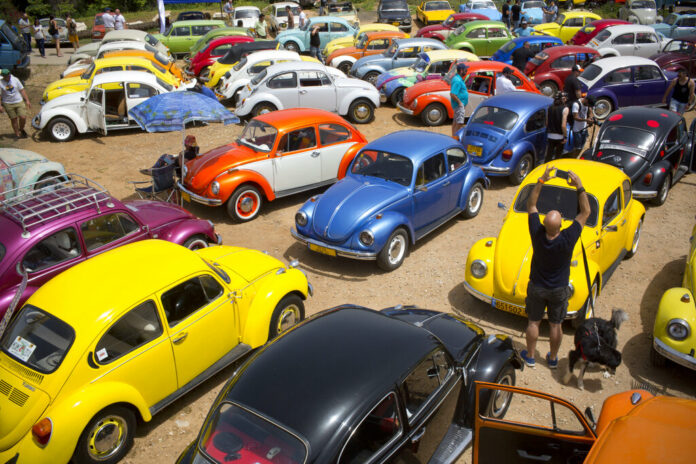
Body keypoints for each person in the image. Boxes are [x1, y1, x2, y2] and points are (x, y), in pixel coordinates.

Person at [520, 165, 590, 369]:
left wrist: (542, 180)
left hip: (537, 286)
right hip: (559, 289)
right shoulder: (569, 237)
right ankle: (552, 358)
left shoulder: (537, 233)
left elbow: (531, 204)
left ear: (544, 224)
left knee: (533, 322)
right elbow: (586, 211)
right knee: (555, 324)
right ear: (561, 226)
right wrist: (579, 186)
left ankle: (531, 356)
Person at [0, 69, 32, 139]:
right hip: (8, 103)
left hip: (18, 101)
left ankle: (21, 129)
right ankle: (17, 134)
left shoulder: (15, 79)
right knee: (13, 119)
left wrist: (27, 100)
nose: (8, 77)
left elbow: (22, 90)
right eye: (6, 76)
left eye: (9, 76)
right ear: (3, 76)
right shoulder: (1, 83)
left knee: (23, 117)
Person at [546, 92, 569, 162]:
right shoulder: (565, 108)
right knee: (557, 157)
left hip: (550, 135)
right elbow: (563, 125)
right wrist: (565, 136)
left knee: (548, 155)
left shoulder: (549, 107)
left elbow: (546, 123)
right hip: (559, 136)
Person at [450, 63, 469, 138]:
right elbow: (452, 94)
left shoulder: (458, 79)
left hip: (458, 106)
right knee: (459, 123)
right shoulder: (457, 80)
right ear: (461, 70)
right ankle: (455, 138)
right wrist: (460, 103)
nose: (466, 71)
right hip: (459, 106)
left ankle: (453, 137)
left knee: (455, 122)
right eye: (465, 70)